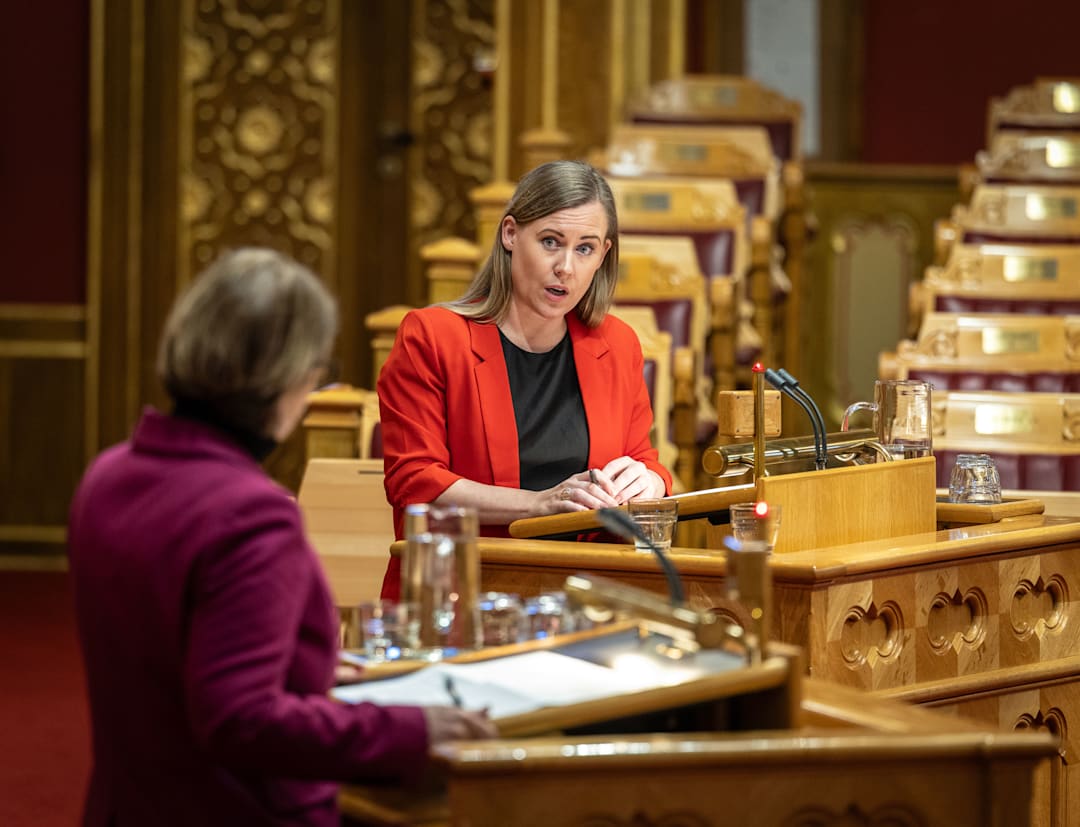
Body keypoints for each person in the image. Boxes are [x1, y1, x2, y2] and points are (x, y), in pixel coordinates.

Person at [68, 248, 495, 827]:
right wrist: (412, 730)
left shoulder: (107, 475)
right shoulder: (249, 514)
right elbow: (240, 720)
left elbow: (164, 653)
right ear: (292, 376)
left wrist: (303, 671)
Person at [379, 161, 673, 598]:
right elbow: (416, 482)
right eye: (551, 242)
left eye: (585, 249)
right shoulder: (434, 337)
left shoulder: (617, 344)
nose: (566, 267)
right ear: (511, 234)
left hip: (587, 598)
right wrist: (538, 503)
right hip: (466, 592)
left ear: (603, 255)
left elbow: (644, 459)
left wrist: (650, 482)